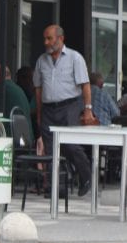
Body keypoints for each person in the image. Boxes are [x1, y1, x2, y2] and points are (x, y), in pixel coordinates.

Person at [33, 25, 94, 196]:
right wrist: (39, 113)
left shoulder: (75, 58)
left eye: (49, 38)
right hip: (48, 108)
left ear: (60, 39)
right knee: (51, 148)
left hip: (70, 106)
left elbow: (85, 85)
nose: (46, 42)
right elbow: (38, 89)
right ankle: (57, 187)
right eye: (45, 39)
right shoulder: (41, 61)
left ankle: (86, 176)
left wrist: (88, 109)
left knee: (70, 144)